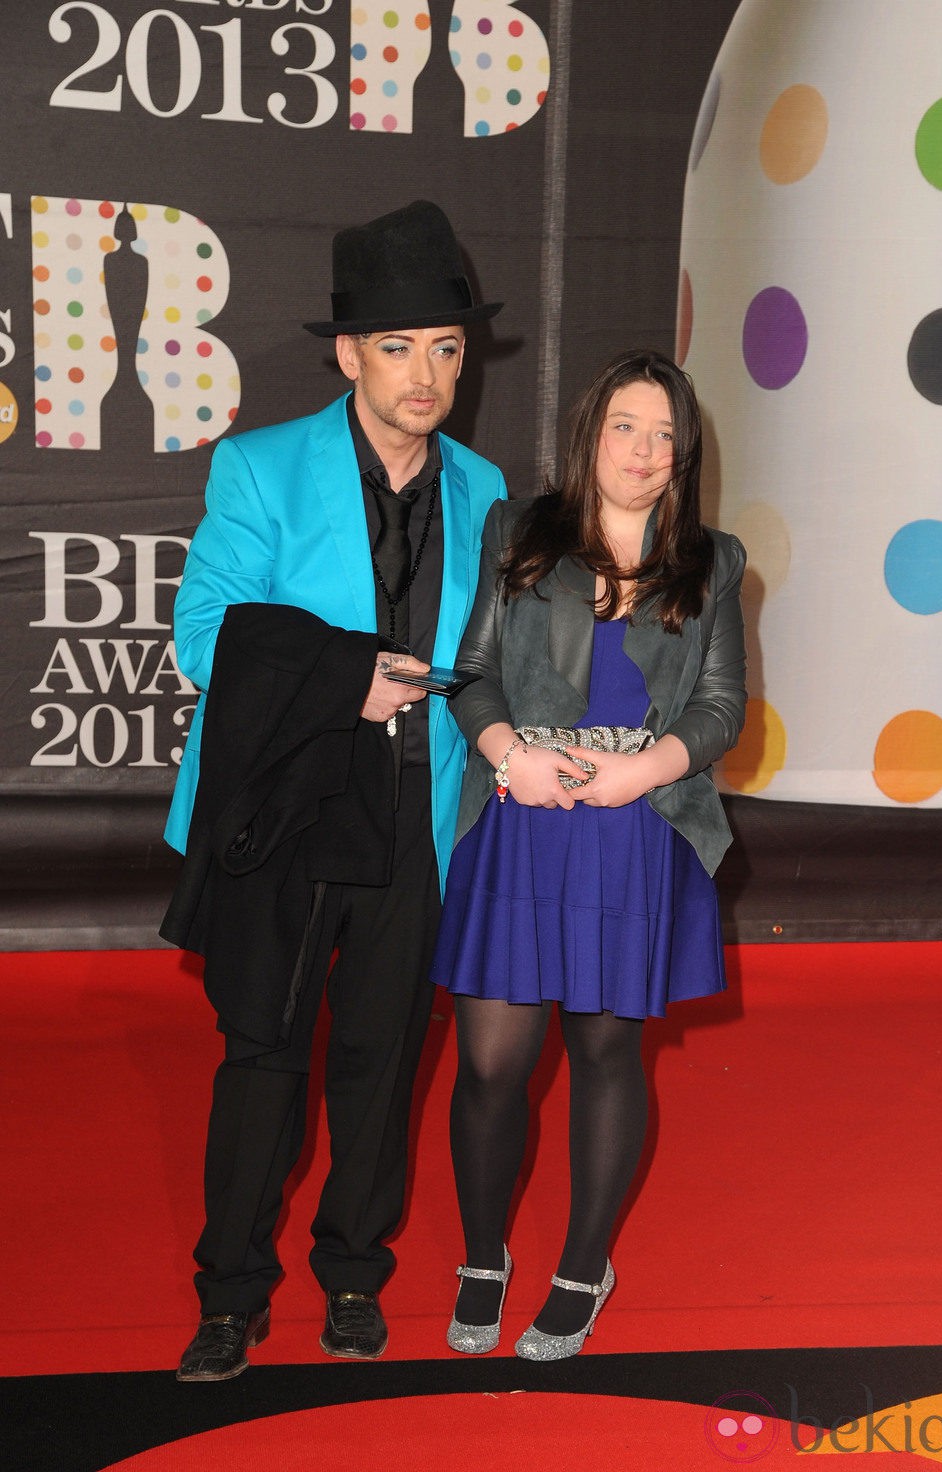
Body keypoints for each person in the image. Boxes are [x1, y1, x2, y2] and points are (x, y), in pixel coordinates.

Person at [160, 200, 506, 1379]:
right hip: (290, 811)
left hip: (416, 812)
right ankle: (229, 1292)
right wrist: (343, 676)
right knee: (262, 1053)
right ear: (348, 354)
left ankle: (353, 1276)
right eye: (400, 345)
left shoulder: (480, 482)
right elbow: (202, 635)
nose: (427, 372)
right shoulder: (259, 466)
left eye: (447, 346)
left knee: (382, 1055)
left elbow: (488, 654)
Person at [430, 348, 747, 1360]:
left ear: (681, 453)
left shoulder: (713, 559)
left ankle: (579, 1267)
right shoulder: (519, 533)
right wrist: (506, 751)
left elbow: (719, 708)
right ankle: (483, 1256)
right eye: (626, 428)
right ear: (588, 433)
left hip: (632, 825)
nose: (645, 452)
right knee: (490, 1059)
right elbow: (471, 673)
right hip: (522, 814)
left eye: (664, 436)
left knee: (605, 1051)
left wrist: (642, 768)